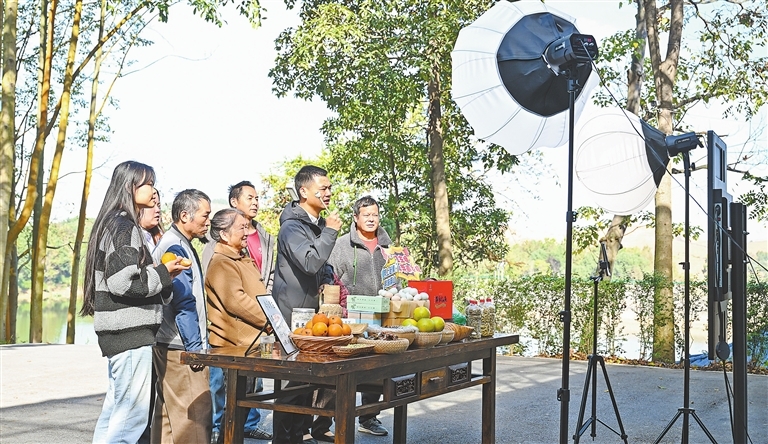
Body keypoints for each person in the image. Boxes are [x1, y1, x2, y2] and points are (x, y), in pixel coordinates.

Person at [82, 160, 187, 444]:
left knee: (114, 417)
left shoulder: (112, 223)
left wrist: (161, 273)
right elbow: (124, 281)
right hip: (129, 335)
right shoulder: (123, 226)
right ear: (130, 186)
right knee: (130, 421)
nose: (153, 191)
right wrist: (166, 272)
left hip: (121, 336)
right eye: (148, 183)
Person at [272, 165, 341, 444]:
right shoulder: (291, 227)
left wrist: (326, 277)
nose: (328, 192)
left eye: (329, 187)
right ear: (304, 191)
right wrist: (331, 233)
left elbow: (320, 265)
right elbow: (310, 261)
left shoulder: (317, 225)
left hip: (311, 315)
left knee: (304, 384)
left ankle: (299, 436)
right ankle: (284, 439)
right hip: (291, 316)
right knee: (290, 384)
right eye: (322, 188)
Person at [204, 207, 273, 443]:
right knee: (231, 411)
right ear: (224, 234)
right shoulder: (222, 262)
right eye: (241, 227)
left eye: (247, 226)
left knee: (242, 407)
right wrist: (270, 320)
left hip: (250, 344)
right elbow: (237, 301)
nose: (247, 232)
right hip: (234, 346)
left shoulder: (240, 257)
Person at [326, 195, 392, 437]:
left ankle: (368, 416)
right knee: (341, 370)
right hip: (348, 317)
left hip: (381, 315)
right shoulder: (343, 245)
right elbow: (331, 277)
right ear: (356, 218)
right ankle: (325, 422)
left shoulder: (387, 245)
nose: (371, 218)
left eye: (374, 214)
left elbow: (394, 276)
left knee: (376, 368)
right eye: (366, 215)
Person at [151, 189, 212, 444]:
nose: (208, 221)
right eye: (205, 215)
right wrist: (195, 348)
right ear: (185, 215)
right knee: (195, 418)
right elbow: (183, 301)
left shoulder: (176, 242)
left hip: (168, 342)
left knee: (168, 417)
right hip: (180, 346)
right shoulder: (175, 247)